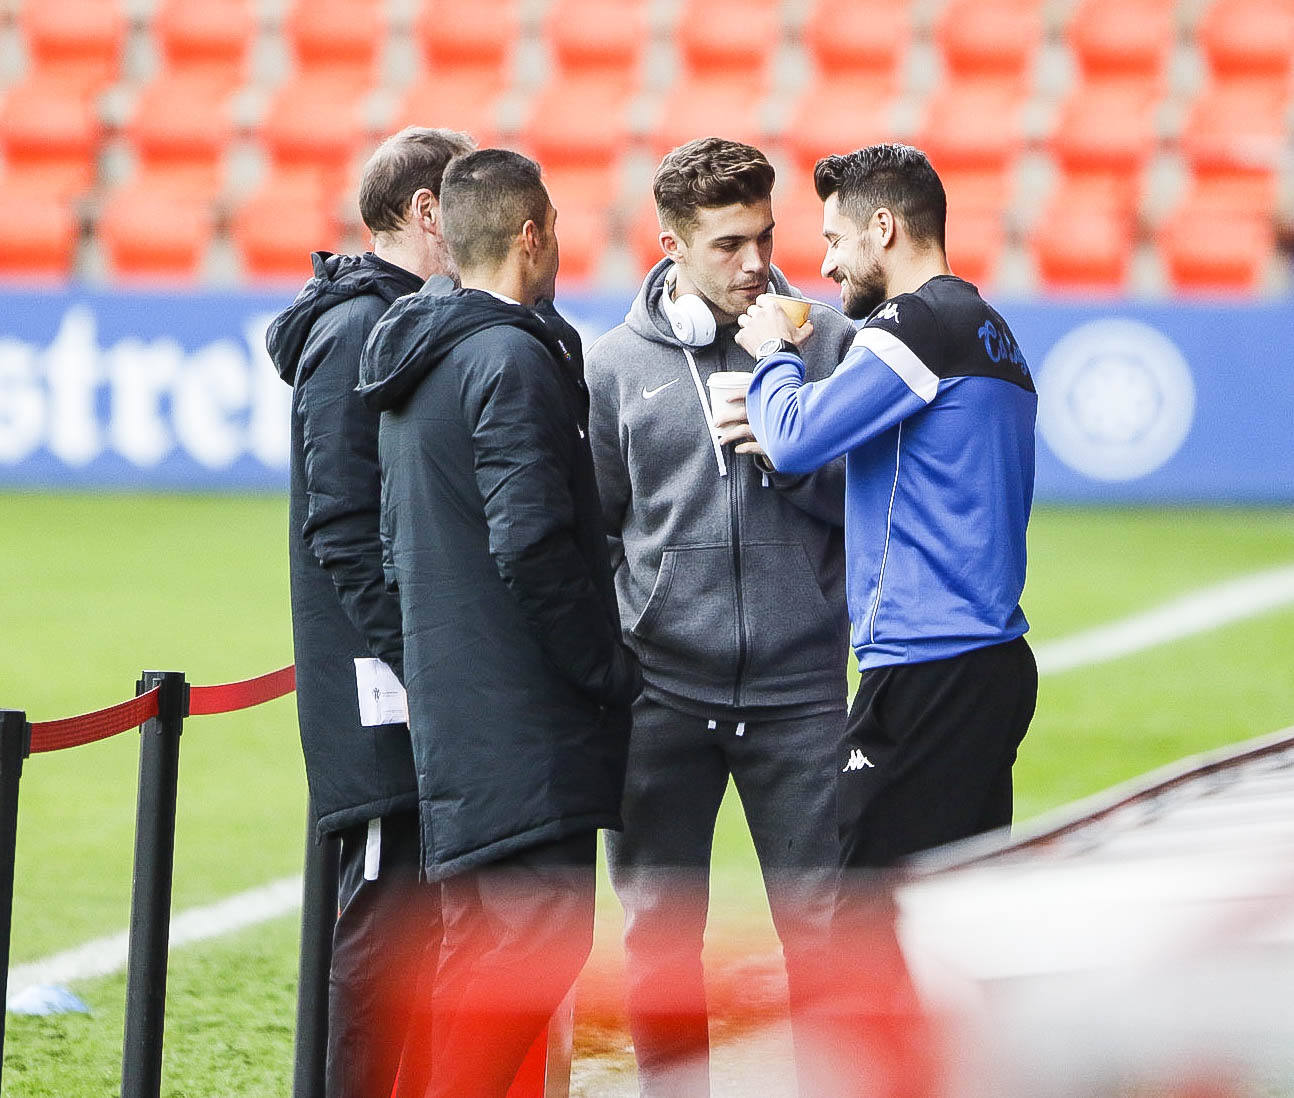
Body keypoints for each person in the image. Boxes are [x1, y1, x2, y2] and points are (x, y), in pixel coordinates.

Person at [357, 147, 641, 1098]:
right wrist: (605, 670)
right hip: (523, 722)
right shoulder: (510, 358)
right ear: (530, 235)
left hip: (456, 713)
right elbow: (532, 544)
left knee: (477, 966)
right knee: (532, 948)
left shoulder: (415, 356)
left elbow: (393, 547)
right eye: (554, 228)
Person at [584, 136, 858, 1097]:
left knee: (826, 933)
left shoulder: (829, 344)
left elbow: (871, 508)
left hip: (803, 697)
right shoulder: (613, 367)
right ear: (671, 246)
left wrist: (793, 459)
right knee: (657, 941)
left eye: (765, 238)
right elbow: (599, 530)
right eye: (728, 244)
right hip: (661, 698)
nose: (755, 264)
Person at [737, 142, 1038, 871]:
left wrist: (773, 355)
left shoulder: (916, 323)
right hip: (988, 661)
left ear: (884, 227)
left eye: (835, 240)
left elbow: (795, 437)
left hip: (927, 668)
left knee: (872, 914)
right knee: (953, 906)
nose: (828, 264)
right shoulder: (990, 329)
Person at [267, 126, 475, 1098]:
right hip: (382, 685)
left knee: (417, 914)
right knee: (387, 915)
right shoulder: (357, 328)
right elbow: (342, 527)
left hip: (407, 675)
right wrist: (419, 653)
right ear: (428, 212)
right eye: (466, 207)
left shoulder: (401, 317)